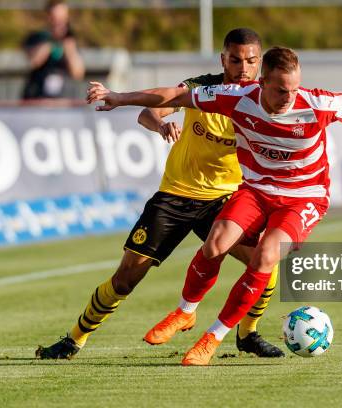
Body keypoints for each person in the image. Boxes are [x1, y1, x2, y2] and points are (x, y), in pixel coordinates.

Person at [86, 46, 342, 366]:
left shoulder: (316, 104)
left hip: (303, 197)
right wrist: (120, 98)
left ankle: (213, 337)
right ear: (263, 82)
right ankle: (185, 311)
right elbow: (174, 95)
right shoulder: (236, 97)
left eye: (294, 89)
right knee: (217, 241)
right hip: (256, 190)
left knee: (267, 255)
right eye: (281, 90)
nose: (289, 97)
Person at [36, 28, 285, 360]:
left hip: (226, 200)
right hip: (177, 195)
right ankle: (74, 339)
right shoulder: (201, 88)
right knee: (125, 280)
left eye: (251, 61)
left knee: (266, 262)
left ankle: (247, 334)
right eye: (236, 60)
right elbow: (150, 111)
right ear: (222, 59)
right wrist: (161, 125)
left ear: (260, 63)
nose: (244, 68)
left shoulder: (263, 99)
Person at [22, 0, 84, 99]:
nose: (59, 22)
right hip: (38, 98)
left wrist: (68, 48)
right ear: (48, 17)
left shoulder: (71, 40)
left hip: (64, 99)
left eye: (62, 18)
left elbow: (78, 73)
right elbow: (34, 61)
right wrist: (51, 42)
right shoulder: (38, 37)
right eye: (55, 18)